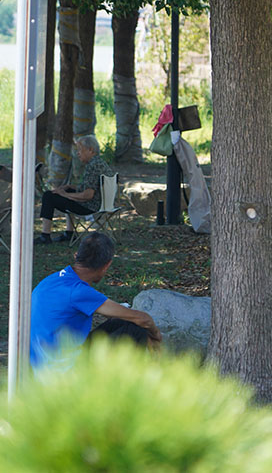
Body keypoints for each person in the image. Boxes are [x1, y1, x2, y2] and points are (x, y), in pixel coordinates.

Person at [30, 232, 162, 371]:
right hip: (61, 370)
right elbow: (143, 319)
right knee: (136, 329)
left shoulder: (52, 280)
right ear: (107, 265)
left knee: (124, 321)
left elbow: (116, 313)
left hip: (39, 362)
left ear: (76, 256)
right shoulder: (78, 291)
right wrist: (156, 336)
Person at [35, 134, 112, 244]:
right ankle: (69, 233)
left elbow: (87, 195)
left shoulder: (93, 166)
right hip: (101, 203)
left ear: (90, 150)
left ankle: (45, 235)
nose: (78, 153)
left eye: (80, 149)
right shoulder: (99, 163)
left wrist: (65, 195)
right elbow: (93, 187)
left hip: (90, 207)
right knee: (68, 190)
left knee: (48, 196)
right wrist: (70, 187)